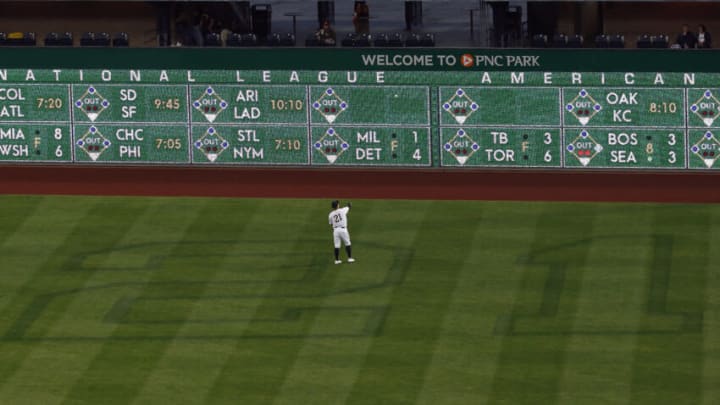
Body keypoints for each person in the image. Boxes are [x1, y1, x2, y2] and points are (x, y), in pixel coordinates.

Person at [328, 200, 354, 264]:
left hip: (336, 231)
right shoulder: (342, 210)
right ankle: (349, 258)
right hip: (343, 230)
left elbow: (331, 223)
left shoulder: (330, 214)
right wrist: (349, 204)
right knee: (347, 243)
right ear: (337, 205)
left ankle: (337, 260)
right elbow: (349, 206)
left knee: (337, 245)